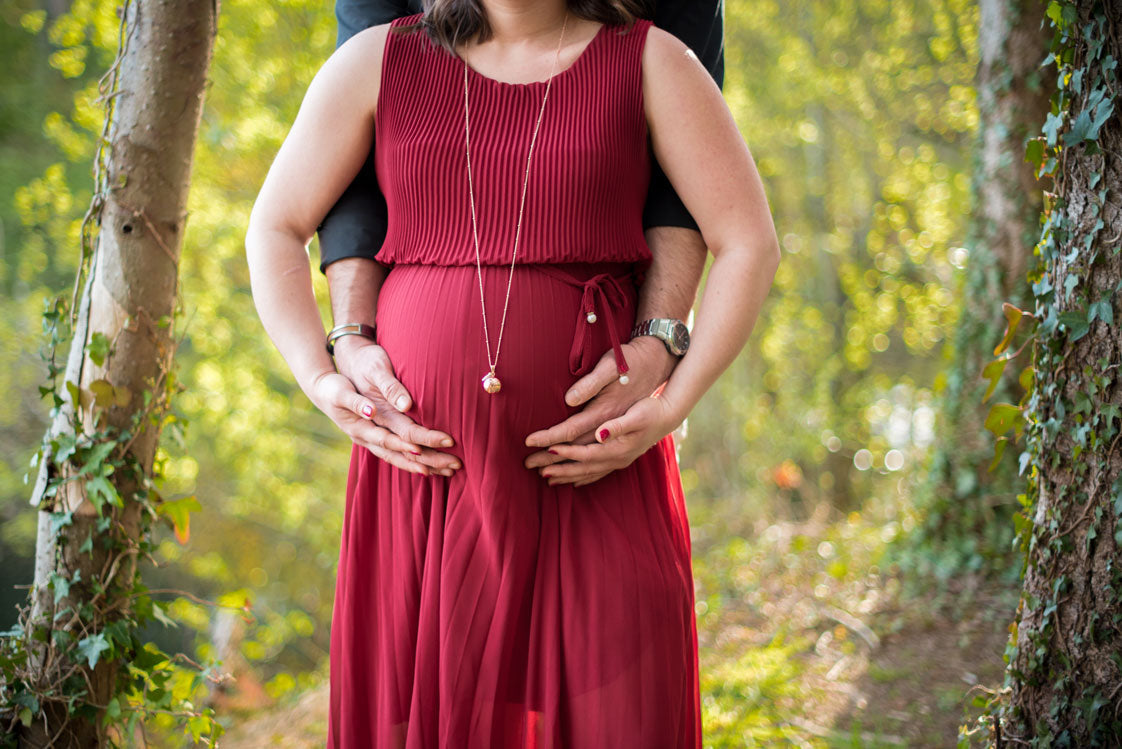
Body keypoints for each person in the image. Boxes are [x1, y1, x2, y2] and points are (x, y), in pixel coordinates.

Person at [245, 1, 779, 746]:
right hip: (424, 481)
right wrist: (320, 373)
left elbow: (748, 241)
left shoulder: (653, 60)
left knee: (614, 712)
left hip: (593, 468)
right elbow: (275, 225)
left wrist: (671, 401)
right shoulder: (377, 59)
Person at [318, 0, 724, 486]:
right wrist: (337, 356)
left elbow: (720, 215)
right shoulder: (377, 53)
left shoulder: (656, 56)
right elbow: (311, 201)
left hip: (599, 451)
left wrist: (669, 382)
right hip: (414, 457)